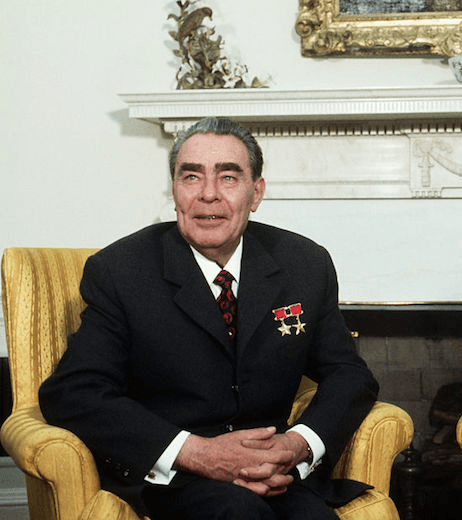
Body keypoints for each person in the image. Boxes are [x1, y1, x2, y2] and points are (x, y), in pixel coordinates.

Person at [39, 117, 379, 520]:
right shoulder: (120, 271)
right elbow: (73, 392)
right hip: (177, 479)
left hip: (275, 473)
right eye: (192, 176)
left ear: (256, 192)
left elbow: (349, 374)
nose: (209, 195)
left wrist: (296, 445)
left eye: (229, 177)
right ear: (175, 191)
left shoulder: (305, 264)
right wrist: (195, 452)